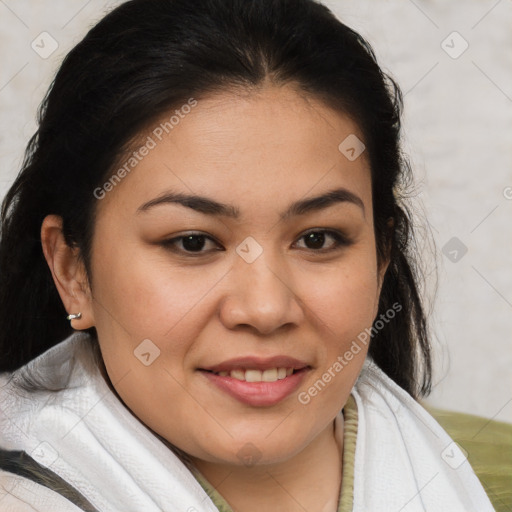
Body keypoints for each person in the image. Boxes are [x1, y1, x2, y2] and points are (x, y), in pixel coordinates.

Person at [0, 0, 496, 510]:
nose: (264, 309)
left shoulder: (482, 469)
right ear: (72, 270)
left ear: (381, 255)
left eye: (318, 238)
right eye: (193, 242)